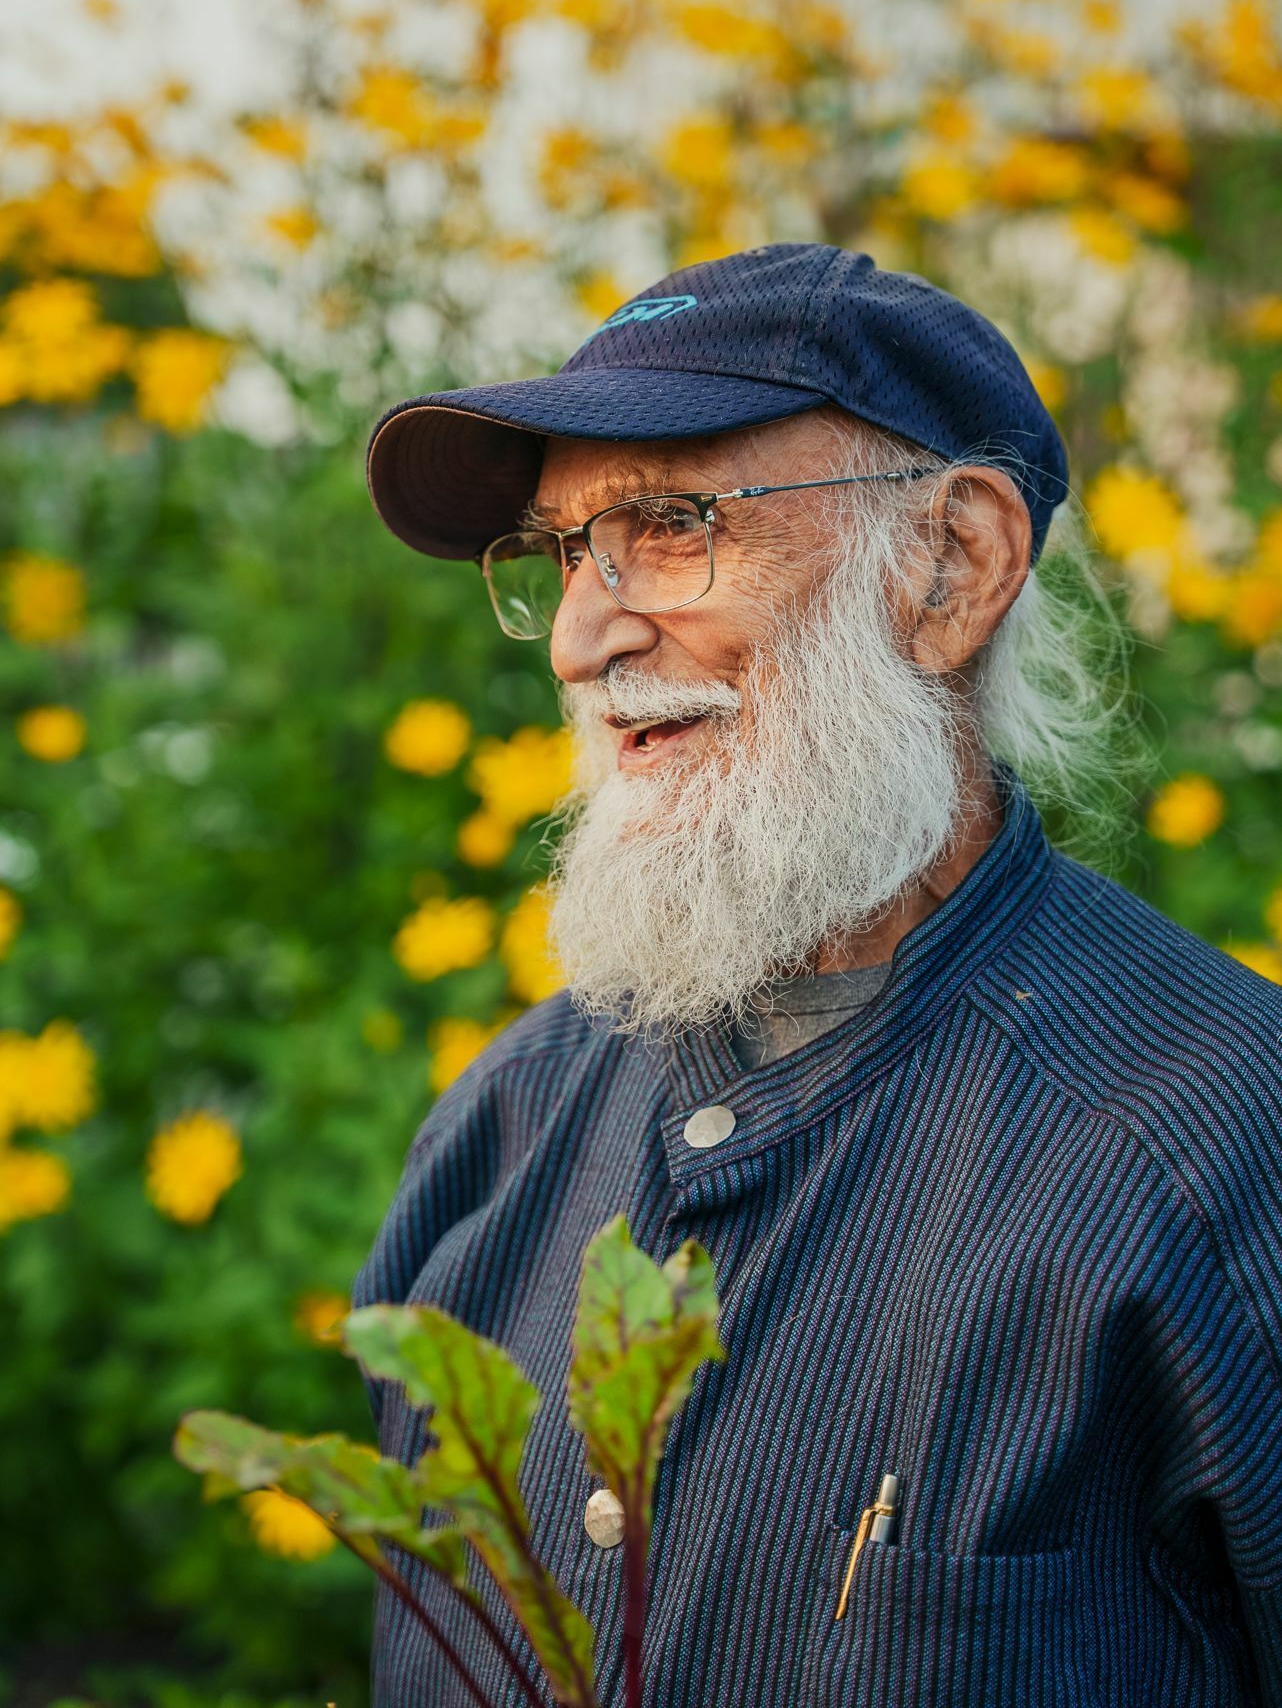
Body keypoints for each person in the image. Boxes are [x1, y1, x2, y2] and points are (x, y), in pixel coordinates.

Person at [355, 243, 1282, 1706]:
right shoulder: (509, 1117)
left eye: (666, 525)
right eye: (556, 552)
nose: (583, 638)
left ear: (949, 565)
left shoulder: (1222, 1145)